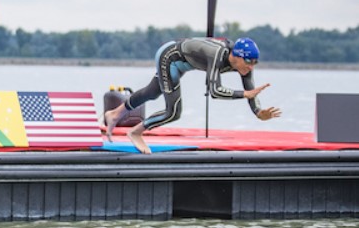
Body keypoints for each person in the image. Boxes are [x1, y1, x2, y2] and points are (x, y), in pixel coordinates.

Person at [102, 37, 280, 154]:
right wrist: (244, 94)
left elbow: (251, 91)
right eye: (249, 62)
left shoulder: (245, 67)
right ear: (237, 56)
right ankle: (135, 132)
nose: (251, 67)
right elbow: (215, 90)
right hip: (170, 56)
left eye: (255, 63)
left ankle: (114, 114)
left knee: (151, 92)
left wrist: (258, 112)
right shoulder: (217, 55)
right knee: (173, 112)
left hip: (180, 63)